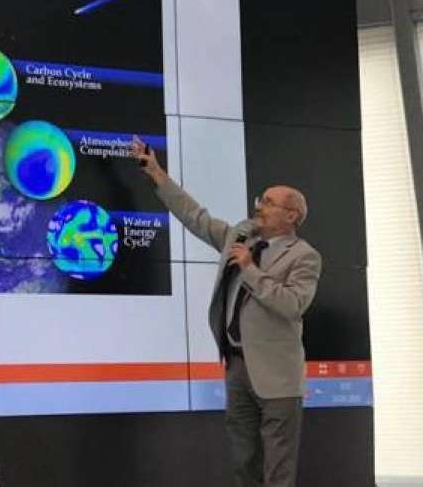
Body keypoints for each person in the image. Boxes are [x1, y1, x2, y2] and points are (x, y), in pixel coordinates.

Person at [131, 136, 321, 487]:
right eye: (260, 200)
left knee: (277, 469)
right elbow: (196, 217)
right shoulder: (240, 237)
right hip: (236, 368)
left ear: (291, 215)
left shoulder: (304, 256)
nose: (259, 206)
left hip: (278, 377)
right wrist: (156, 173)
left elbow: (292, 304)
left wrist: (250, 269)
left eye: (268, 202)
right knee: (244, 461)